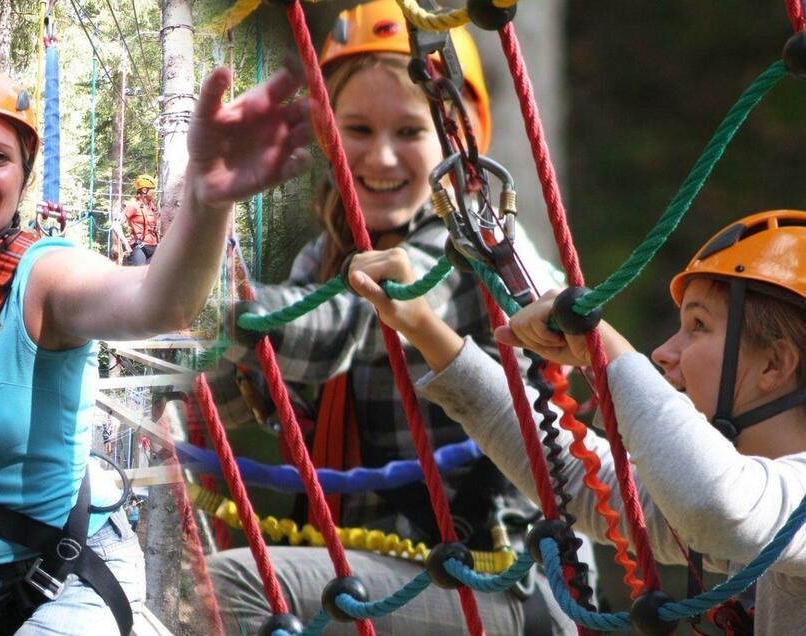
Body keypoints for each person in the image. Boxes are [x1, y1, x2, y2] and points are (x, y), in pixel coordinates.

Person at [0, 64, 311, 634]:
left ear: (21, 177)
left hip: (73, 577)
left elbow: (156, 303)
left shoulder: (47, 276)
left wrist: (207, 200)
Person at [206, 2, 583, 633]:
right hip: (390, 572)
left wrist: (210, 301)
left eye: (408, 132)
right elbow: (251, 386)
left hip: (495, 580)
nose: (381, 158)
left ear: (454, 139)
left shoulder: (468, 248)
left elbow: (339, 330)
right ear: (328, 135)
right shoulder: (323, 256)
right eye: (358, 129)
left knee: (235, 584)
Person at [348, 209, 806, 634]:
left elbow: (716, 506)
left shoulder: (766, 505)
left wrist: (610, 353)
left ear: (774, 365)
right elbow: (583, 480)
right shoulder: (758, 501)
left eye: (699, 326)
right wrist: (425, 329)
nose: (665, 353)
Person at [120, 174, 161, 266]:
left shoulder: (151, 206)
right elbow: (116, 225)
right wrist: (126, 244)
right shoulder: (133, 205)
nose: (155, 191)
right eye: (153, 189)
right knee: (138, 277)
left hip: (153, 247)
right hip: (139, 248)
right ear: (144, 190)